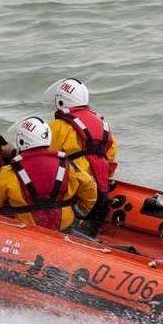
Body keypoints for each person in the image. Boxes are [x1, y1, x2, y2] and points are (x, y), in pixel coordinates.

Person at [0, 116, 97, 232]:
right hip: (64, 227)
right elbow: (90, 187)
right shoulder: (68, 166)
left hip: (26, 230)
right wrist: (83, 210)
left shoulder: (10, 172)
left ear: (22, 141)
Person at [46, 78, 118, 235]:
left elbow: (39, 158)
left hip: (75, 195)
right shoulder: (104, 126)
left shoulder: (57, 128)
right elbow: (111, 162)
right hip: (100, 195)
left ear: (60, 102)